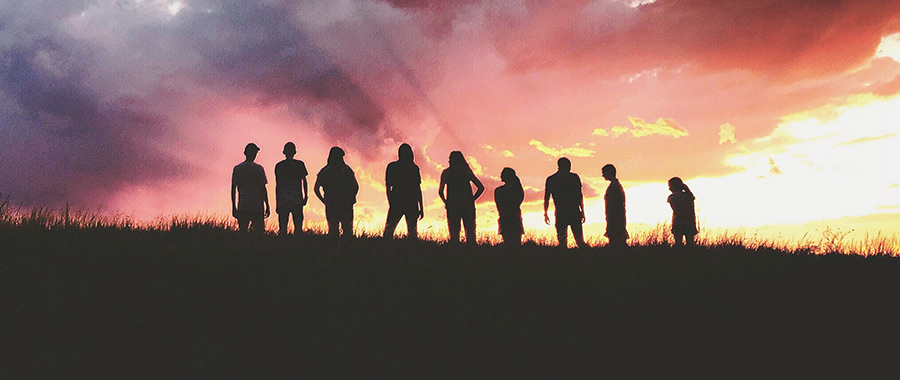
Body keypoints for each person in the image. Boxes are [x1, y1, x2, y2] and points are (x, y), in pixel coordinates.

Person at [439, 151, 484, 244]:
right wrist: (472, 199)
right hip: (467, 206)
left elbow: (440, 191)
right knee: (470, 233)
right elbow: (481, 187)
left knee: (454, 234)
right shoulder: (466, 171)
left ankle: (455, 253)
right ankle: (471, 253)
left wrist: (446, 202)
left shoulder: (447, 172)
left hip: (452, 206)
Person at [314, 147, 359, 239]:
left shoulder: (324, 171)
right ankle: (348, 250)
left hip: (331, 205)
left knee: (333, 231)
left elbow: (316, 188)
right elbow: (355, 186)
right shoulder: (346, 170)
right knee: (348, 231)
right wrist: (351, 197)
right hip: (346, 204)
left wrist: (324, 200)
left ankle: (333, 250)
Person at [544, 158, 588, 248]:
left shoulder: (551, 179)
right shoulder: (574, 177)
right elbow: (580, 196)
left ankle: (564, 259)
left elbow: (546, 198)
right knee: (580, 241)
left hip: (561, 213)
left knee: (562, 243)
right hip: (574, 212)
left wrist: (545, 213)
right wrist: (582, 211)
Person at [384, 143, 424, 239]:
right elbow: (417, 189)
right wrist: (421, 207)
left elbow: (388, 187)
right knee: (412, 232)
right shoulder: (413, 168)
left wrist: (391, 202)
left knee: (389, 231)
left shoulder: (392, 167)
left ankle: (385, 250)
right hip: (410, 201)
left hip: (398, 200)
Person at [231, 143, 270, 233]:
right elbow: (263, 189)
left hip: (243, 205)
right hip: (257, 207)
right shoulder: (259, 168)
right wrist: (267, 204)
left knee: (243, 233)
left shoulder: (237, 168)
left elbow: (233, 189)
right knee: (259, 234)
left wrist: (234, 206)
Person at [274, 142, 308, 235]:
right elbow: (304, 181)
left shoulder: (279, 166)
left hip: (283, 200)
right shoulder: (300, 164)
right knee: (298, 227)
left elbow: (278, 185)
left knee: (283, 229)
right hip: (297, 200)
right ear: (295, 152)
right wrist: (305, 196)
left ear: (284, 152)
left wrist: (277, 203)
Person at [495, 167, 525, 246]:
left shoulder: (499, 190)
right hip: (514, 216)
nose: (500, 175)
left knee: (507, 241)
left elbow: (499, 206)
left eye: (502, 174)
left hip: (505, 216)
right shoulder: (518, 189)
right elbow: (518, 201)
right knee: (516, 242)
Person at [602, 164, 628, 247]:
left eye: (604, 173)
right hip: (615, 217)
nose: (603, 175)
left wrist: (610, 218)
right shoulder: (616, 185)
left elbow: (614, 206)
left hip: (615, 218)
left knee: (616, 241)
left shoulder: (615, 187)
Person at [667, 177, 698, 246]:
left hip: (678, 222)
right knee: (690, 245)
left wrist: (682, 215)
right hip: (689, 222)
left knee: (678, 244)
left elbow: (676, 210)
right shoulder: (689, 196)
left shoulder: (672, 197)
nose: (669, 188)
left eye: (670, 186)